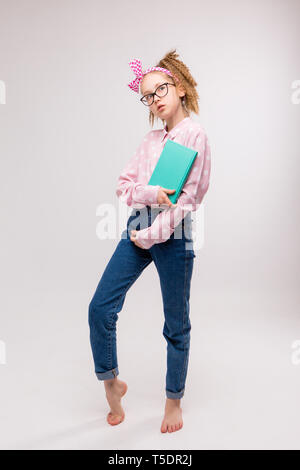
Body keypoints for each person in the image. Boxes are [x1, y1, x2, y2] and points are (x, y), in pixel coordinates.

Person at [88, 48, 211, 433]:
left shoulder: (194, 135)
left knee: (176, 323)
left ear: (178, 88)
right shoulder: (151, 139)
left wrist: (151, 235)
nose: (155, 100)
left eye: (160, 90)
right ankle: (112, 382)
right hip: (138, 227)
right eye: (147, 96)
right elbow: (125, 187)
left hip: (172, 237)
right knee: (100, 308)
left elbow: (188, 199)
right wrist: (150, 193)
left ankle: (173, 400)